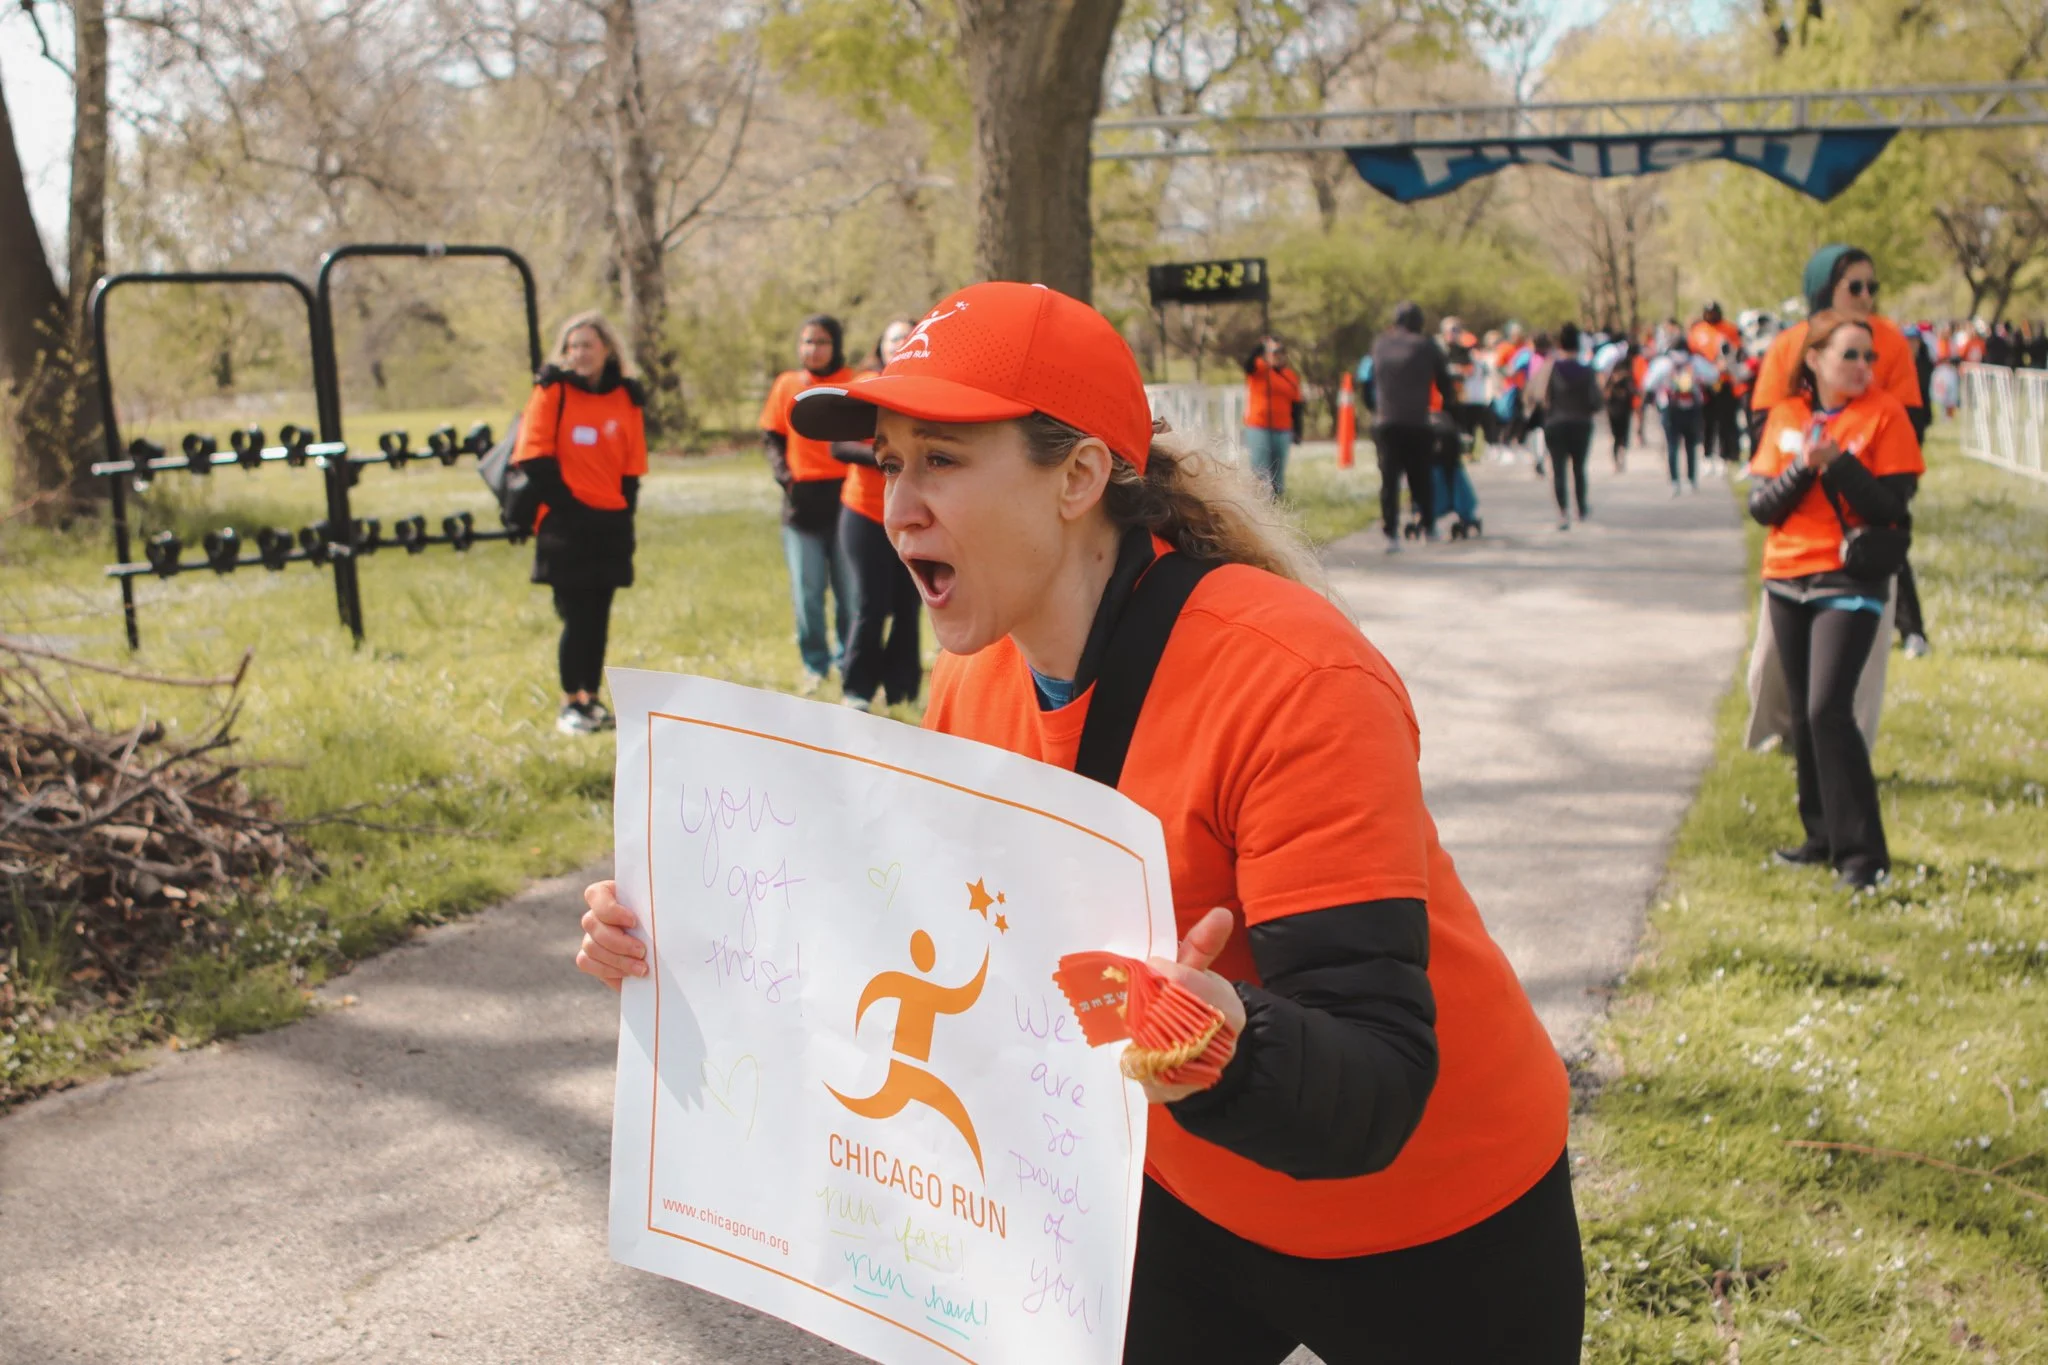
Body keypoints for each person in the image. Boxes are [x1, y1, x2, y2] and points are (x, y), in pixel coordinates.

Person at [578, 280, 1584, 1362]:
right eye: (887, 462)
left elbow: (1375, 1082)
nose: (893, 506)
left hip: (1427, 1220)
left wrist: (1222, 1043)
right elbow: (915, 950)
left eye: (941, 460)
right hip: (1166, 1194)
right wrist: (686, 942)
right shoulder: (972, 685)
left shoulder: (1294, 678)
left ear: (1078, 475)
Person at [1748, 310, 1921, 890]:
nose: (1863, 367)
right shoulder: (1786, 416)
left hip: (1848, 580)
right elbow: (1762, 506)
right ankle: (1820, 837)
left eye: (1868, 357)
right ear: (1815, 360)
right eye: (1849, 355)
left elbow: (1889, 506)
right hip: (1786, 577)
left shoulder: (1885, 415)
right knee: (1802, 715)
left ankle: (1863, 858)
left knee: (1829, 708)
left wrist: (1839, 462)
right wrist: (1803, 466)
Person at [508, 311, 647, 735]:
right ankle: (570, 702)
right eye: (573, 346)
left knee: (599, 615)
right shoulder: (553, 391)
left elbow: (632, 466)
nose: (580, 353)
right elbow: (532, 456)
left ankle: (592, 698)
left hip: (609, 523)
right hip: (565, 523)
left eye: (588, 344)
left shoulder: (626, 397)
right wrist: (570, 507)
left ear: (607, 349)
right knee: (576, 616)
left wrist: (623, 512)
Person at [830, 318, 924, 712]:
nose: (898, 342)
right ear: (880, 346)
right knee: (870, 603)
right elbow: (838, 447)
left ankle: (901, 688)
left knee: (909, 602)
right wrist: (888, 459)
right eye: (891, 337)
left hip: (915, 512)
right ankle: (858, 689)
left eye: (906, 337)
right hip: (865, 513)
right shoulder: (866, 384)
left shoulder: (926, 390)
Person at [760, 315, 856, 691]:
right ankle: (815, 665)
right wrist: (786, 477)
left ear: (836, 345)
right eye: (806, 342)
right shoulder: (787, 385)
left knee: (849, 593)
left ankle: (848, 659)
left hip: (847, 502)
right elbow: (771, 436)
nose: (812, 350)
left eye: (821, 342)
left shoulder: (854, 382)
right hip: (802, 506)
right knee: (808, 593)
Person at [1368, 301, 1457, 551]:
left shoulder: (1380, 344)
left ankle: (1391, 534)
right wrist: (1446, 408)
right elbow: (1444, 383)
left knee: (1389, 480)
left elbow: (1367, 380)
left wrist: (1376, 409)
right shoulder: (1426, 346)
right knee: (1421, 476)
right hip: (1418, 421)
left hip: (1386, 422)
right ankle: (1428, 527)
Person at [1540, 323, 1601, 530]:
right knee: (1579, 468)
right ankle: (1581, 508)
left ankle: (1563, 512)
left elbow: (1539, 396)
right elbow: (1596, 402)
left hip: (1555, 423)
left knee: (1558, 469)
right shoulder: (1587, 370)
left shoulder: (1551, 368)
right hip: (1581, 424)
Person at [1642, 336, 1718, 495]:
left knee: (1672, 445)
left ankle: (1674, 481)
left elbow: (1648, 383)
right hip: (1692, 409)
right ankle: (1691, 480)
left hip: (1670, 409)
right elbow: (1713, 375)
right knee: (1691, 446)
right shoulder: (1695, 361)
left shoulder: (1664, 363)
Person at [1240, 336, 1302, 498]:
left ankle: (1276, 501)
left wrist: (1298, 430)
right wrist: (1261, 346)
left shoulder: (1290, 376)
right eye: (1273, 352)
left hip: (1282, 428)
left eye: (1280, 352)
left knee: (1278, 470)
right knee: (1260, 468)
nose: (1277, 355)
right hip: (1259, 426)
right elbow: (1247, 365)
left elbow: (1296, 405)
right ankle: (1259, 501)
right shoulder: (1259, 370)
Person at [1689, 302, 1746, 469]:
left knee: (1726, 420)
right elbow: (1693, 354)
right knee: (1707, 420)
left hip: (1726, 381)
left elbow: (1738, 351)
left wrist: (1725, 363)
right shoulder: (1698, 331)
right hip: (1706, 383)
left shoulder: (1729, 329)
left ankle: (1727, 454)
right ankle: (1707, 454)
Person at [1599, 337, 1638, 470]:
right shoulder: (1614, 376)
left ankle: (1620, 457)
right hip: (1615, 408)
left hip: (1623, 407)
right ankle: (1618, 458)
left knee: (1621, 435)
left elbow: (1633, 390)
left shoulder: (1628, 374)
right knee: (1617, 435)